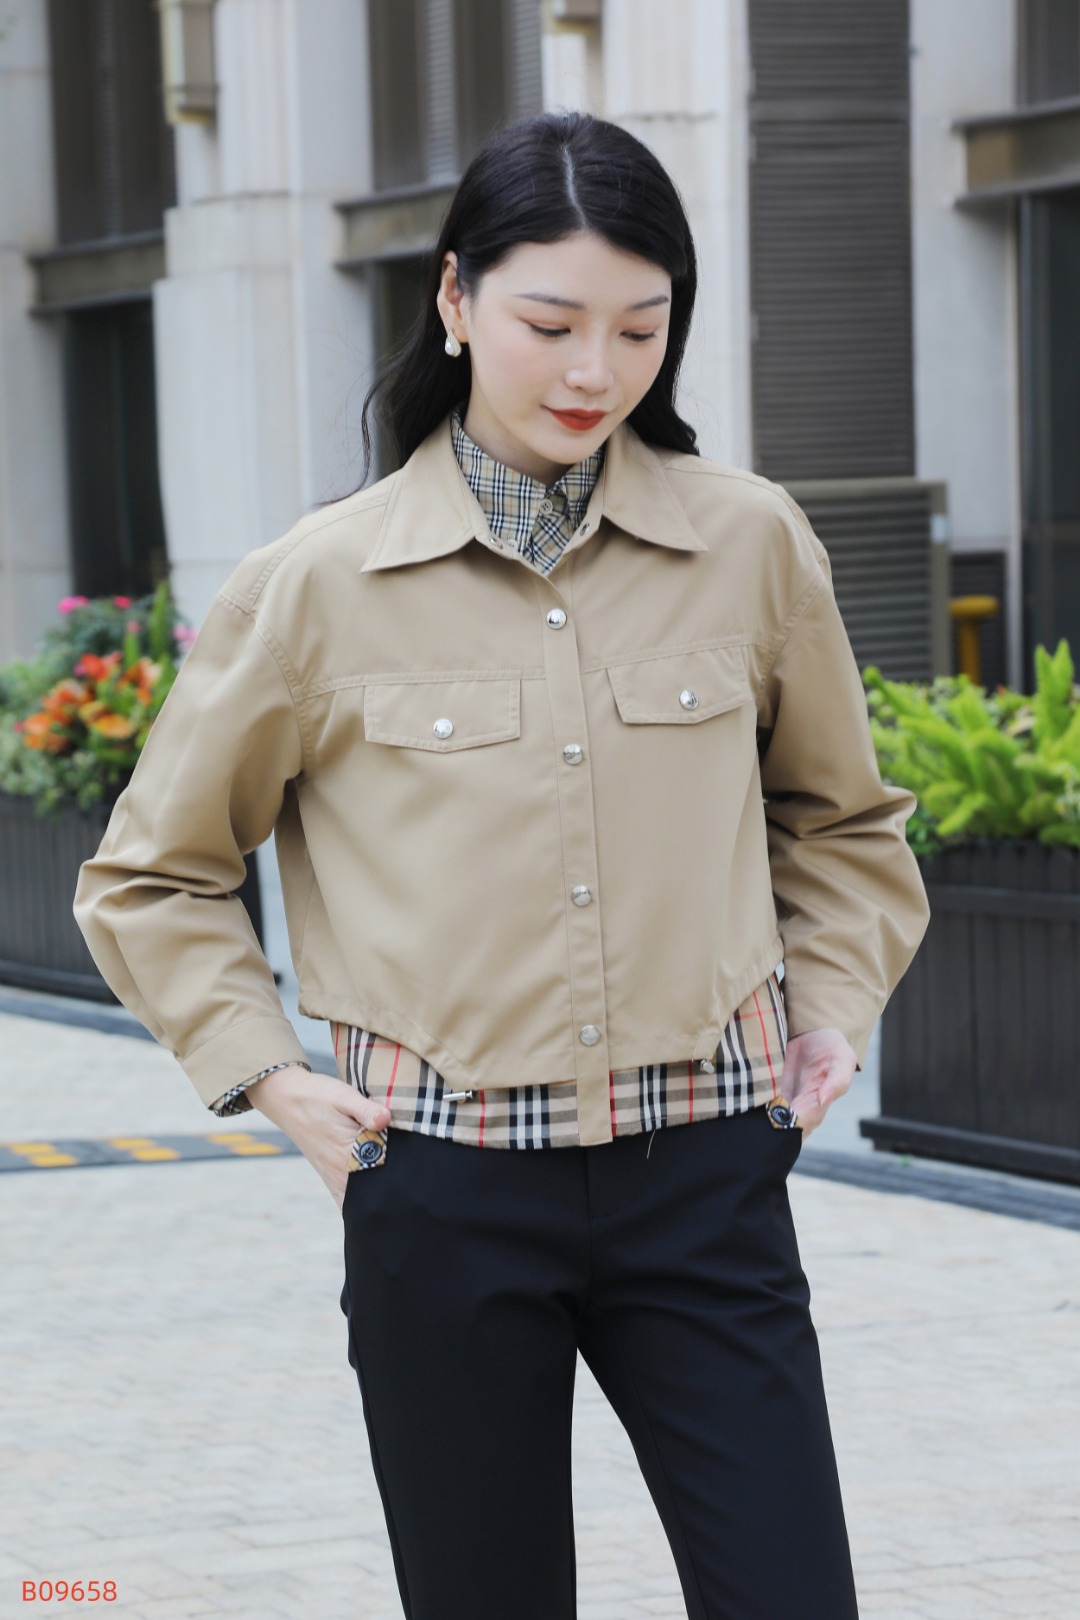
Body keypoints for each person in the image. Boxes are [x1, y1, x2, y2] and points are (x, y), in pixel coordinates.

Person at [74, 109, 929, 1620]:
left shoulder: (752, 546)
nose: (596, 370)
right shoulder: (316, 584)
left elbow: (843, 822)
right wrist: (272, 1081)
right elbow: (152, 874)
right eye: (552, 323)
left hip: (706, 1179)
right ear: (456, 301)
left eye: (640, 329)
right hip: (442, 1196)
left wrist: (833, 1005)